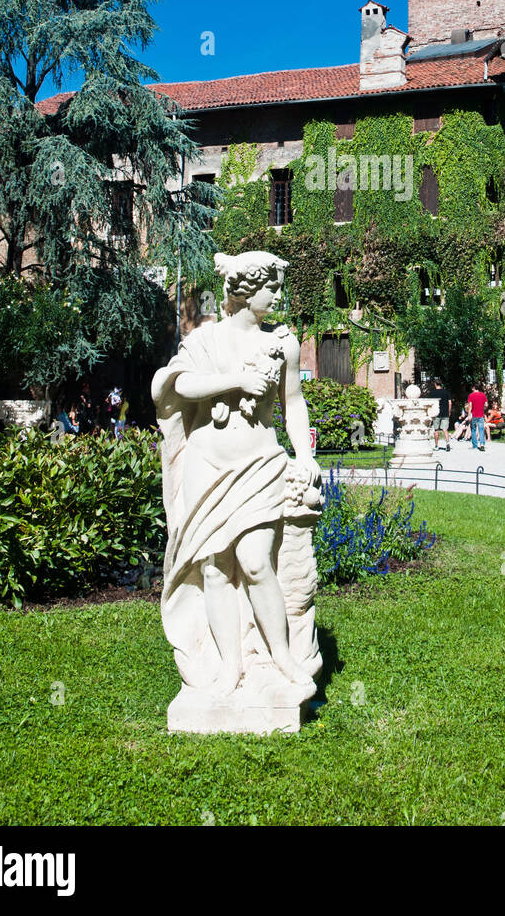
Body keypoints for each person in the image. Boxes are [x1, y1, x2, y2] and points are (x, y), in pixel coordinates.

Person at [152, 250, 322, 700]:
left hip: (259, 462)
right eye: (274, 288)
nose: (279, 296)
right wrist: (235, 381)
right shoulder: (207, 340)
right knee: (213, 571)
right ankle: (229, 668)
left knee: (254, 561)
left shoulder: (282, 342)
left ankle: (282, 659)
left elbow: (294, 404)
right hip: (207, 465)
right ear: (247, 292)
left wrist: (304, 455)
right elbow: (182, 385)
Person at [430, 378, 451, 451]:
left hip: (436, 413)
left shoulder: (432, 393)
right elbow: (450, 402)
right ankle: (448, 443)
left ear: (435, 384)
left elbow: (430, 404)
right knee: (445, 429)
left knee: (436, 430)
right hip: (445, 412)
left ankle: (436, 445)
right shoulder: (446, 392)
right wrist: (449, 411)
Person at [467, 383, 487, 450]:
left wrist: (469, 414)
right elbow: (486, 405)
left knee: (473, 429)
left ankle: (475, 445)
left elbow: (470, 406)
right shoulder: (483, 395)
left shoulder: (471, 395)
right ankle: (482, 444)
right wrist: (482, 408)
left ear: (473, 388)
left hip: (474, 414)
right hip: (481, 414)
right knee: (481, 430)